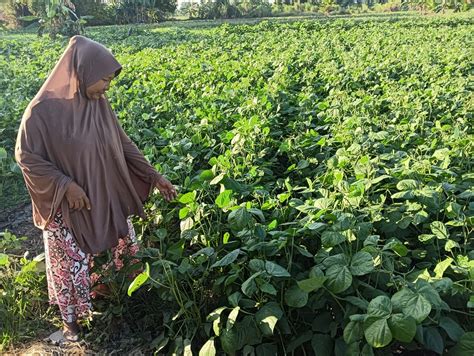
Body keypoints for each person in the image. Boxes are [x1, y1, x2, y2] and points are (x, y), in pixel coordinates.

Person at [14, 35, 177, 345]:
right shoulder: (41, 112)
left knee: (119, 243)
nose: (107, 87)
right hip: (68, 207)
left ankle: (111, 298)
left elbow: (123, 143)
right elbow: (26, 157)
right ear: (84, 71)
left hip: (103, 194)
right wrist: (65, 185)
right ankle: (71, 323)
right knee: (70, 261)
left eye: (109, 81)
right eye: (103, 79)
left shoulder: (99, 105)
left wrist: (154, 176)